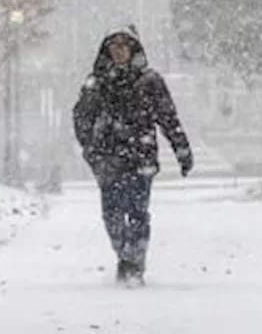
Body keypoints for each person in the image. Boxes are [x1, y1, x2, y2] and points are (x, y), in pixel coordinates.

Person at [72, 25, 193, 286]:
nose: (119, 51)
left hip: (141, 157)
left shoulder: (149, 81)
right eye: (114, 46)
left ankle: (135, 263)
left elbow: (168, 118)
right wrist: (89, 147)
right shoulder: (96, 82)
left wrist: (182, 150)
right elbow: (81, 116)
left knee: (138, 212)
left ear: (133, 49)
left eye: (124, 46)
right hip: (107, 158)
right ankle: (124, 255)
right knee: (112, 214)